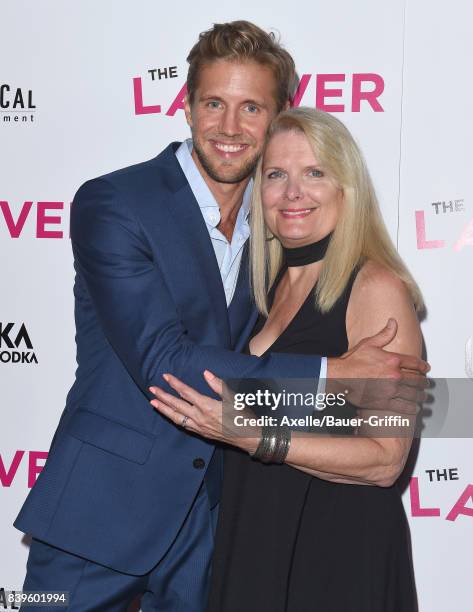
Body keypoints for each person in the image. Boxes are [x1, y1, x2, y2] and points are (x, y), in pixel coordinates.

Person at [14, 21, 427, 611]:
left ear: (280, 114)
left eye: (251, 107)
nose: (230, 128)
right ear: (186, 107)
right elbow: (166, 362)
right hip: (101, 515)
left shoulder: (306, 246)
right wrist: (336, 375)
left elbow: (402, 431)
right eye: (214, 103)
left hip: (219, 527)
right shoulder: (116, 203)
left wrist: (274, 429)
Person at [150, 107, 424, 611]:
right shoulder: (258, 292)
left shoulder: (375, 288)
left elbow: (386, 459)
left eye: (315, 173)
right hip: (253, 539)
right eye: (275, 175)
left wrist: (253, 435)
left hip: (337, 552)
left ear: (348, 189)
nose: (292, 192)